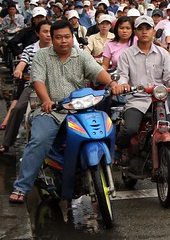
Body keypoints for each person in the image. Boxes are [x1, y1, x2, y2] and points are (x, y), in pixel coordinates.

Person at [8, 20, 116, 204]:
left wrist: (113, 84)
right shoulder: (42, 56)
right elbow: (38, 81)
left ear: (72, 37)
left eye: (67, 37)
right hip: (51, 110)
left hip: (80, 109)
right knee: (39, 140)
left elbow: (97, 71)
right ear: (52, 38)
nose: (63, 41)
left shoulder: (81, 56)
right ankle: (22, 186)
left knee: (103, 129)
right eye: (58, 37)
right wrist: (46, 100)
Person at [113, 16, 170, 193]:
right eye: (140, 28)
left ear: (153, 31)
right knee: (130, 129)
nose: (144, 32)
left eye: (148, 28)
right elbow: (122, 76)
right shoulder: (126, 55)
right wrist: (123, 84)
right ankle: (120, 148)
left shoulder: (163, 53)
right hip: (136, 100)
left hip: (159, 101)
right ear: (135, 32)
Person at [0, 21, 53, 154]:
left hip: (54, 87)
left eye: (50, 32)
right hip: (33, 86)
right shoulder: (30, 49)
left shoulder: (58, 48)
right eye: (44, 31)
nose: (48, 35)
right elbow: (23, 62)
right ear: (37, 33)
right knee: (17, 108)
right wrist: (18, 70)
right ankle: (6, 143)